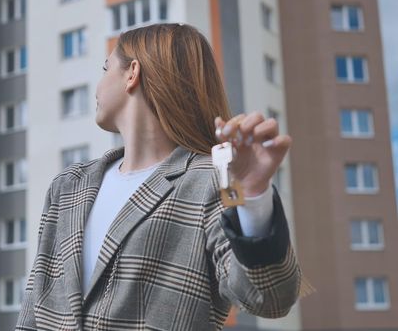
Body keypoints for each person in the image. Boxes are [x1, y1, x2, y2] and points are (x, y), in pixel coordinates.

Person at [15, 23, 301, 331]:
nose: (97, 87)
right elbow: (33, 312)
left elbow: (269, 298)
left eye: (105, 68)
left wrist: (253, 195)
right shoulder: (69, 186)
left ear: (131, 73)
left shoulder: (212, 180)